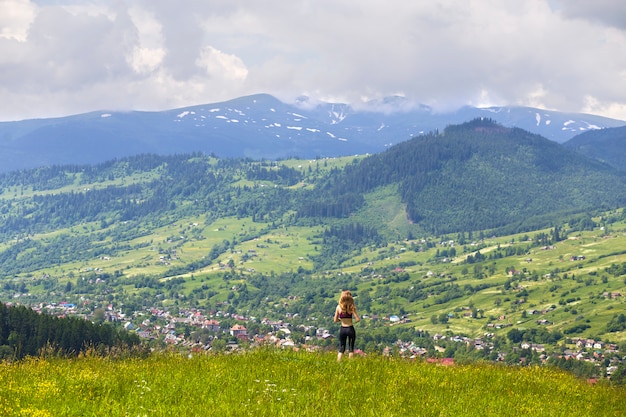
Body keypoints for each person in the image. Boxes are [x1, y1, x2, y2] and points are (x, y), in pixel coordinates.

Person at [333, 290, 361, 362]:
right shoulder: (351, 307)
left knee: (341, 348)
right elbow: (358, 319)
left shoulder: (339, 307)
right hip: (350, 328)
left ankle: (338, 362)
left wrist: (341, 320)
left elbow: (335, 320)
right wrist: (352, 319)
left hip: (343, 329)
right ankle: (350, 364)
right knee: (351, 348)